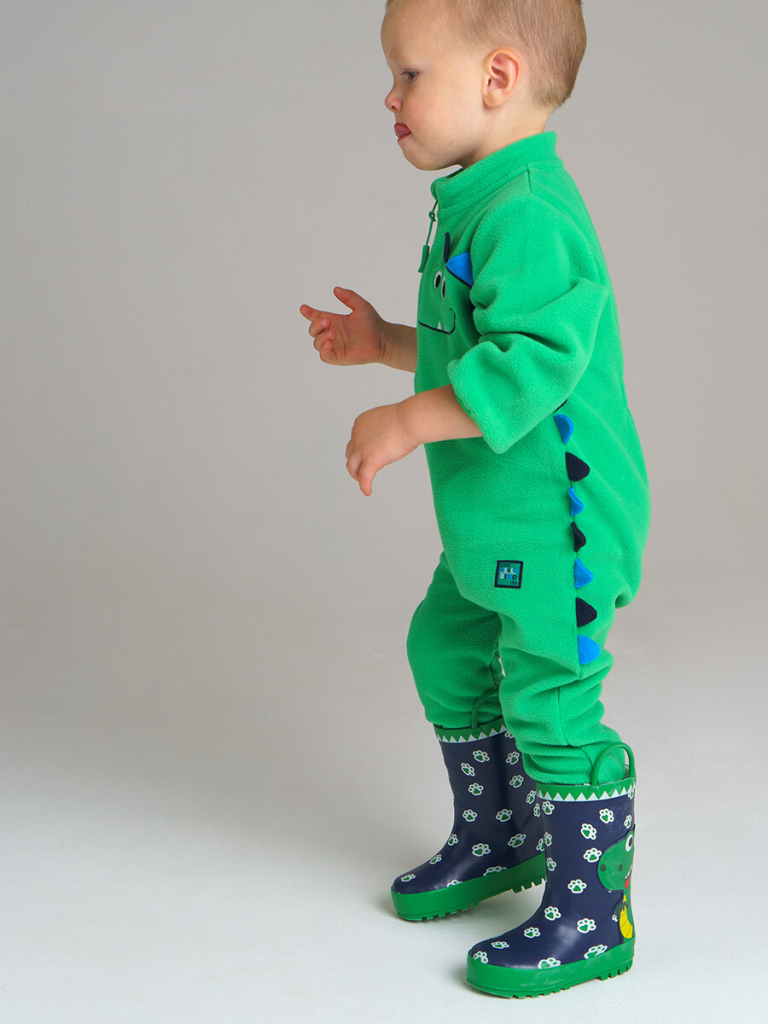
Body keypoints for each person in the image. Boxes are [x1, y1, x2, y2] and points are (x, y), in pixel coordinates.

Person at [300, 0, 650, 999]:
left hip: (558, 523)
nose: (390, 96)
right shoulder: (479, 196)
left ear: (497, 79)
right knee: (446, 649)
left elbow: (534, 361)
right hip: (497, 518)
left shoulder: (527, 210)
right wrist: (386, 344)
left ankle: (596, 912)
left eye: (409, 74)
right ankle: (502, 835)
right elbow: (477, 342)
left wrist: (408, 420)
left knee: (549, 695)